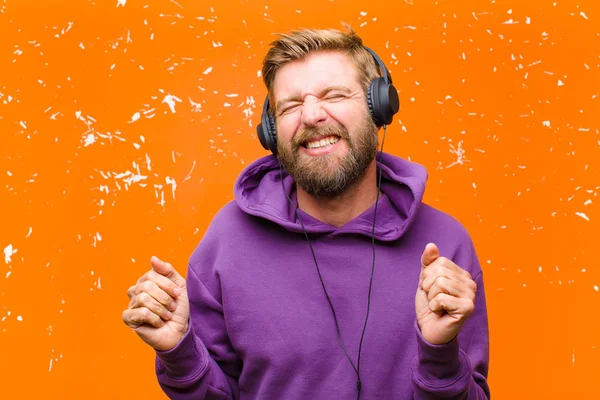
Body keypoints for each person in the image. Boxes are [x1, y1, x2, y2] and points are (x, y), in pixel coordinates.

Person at [122, 24, 490, 400]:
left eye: (333, 95)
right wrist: (179, 353)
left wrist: (440, 355)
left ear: (378, 106)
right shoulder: (226, 242)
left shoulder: (445, 246)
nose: (312, 115)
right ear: (271, 129)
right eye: (292, 104)